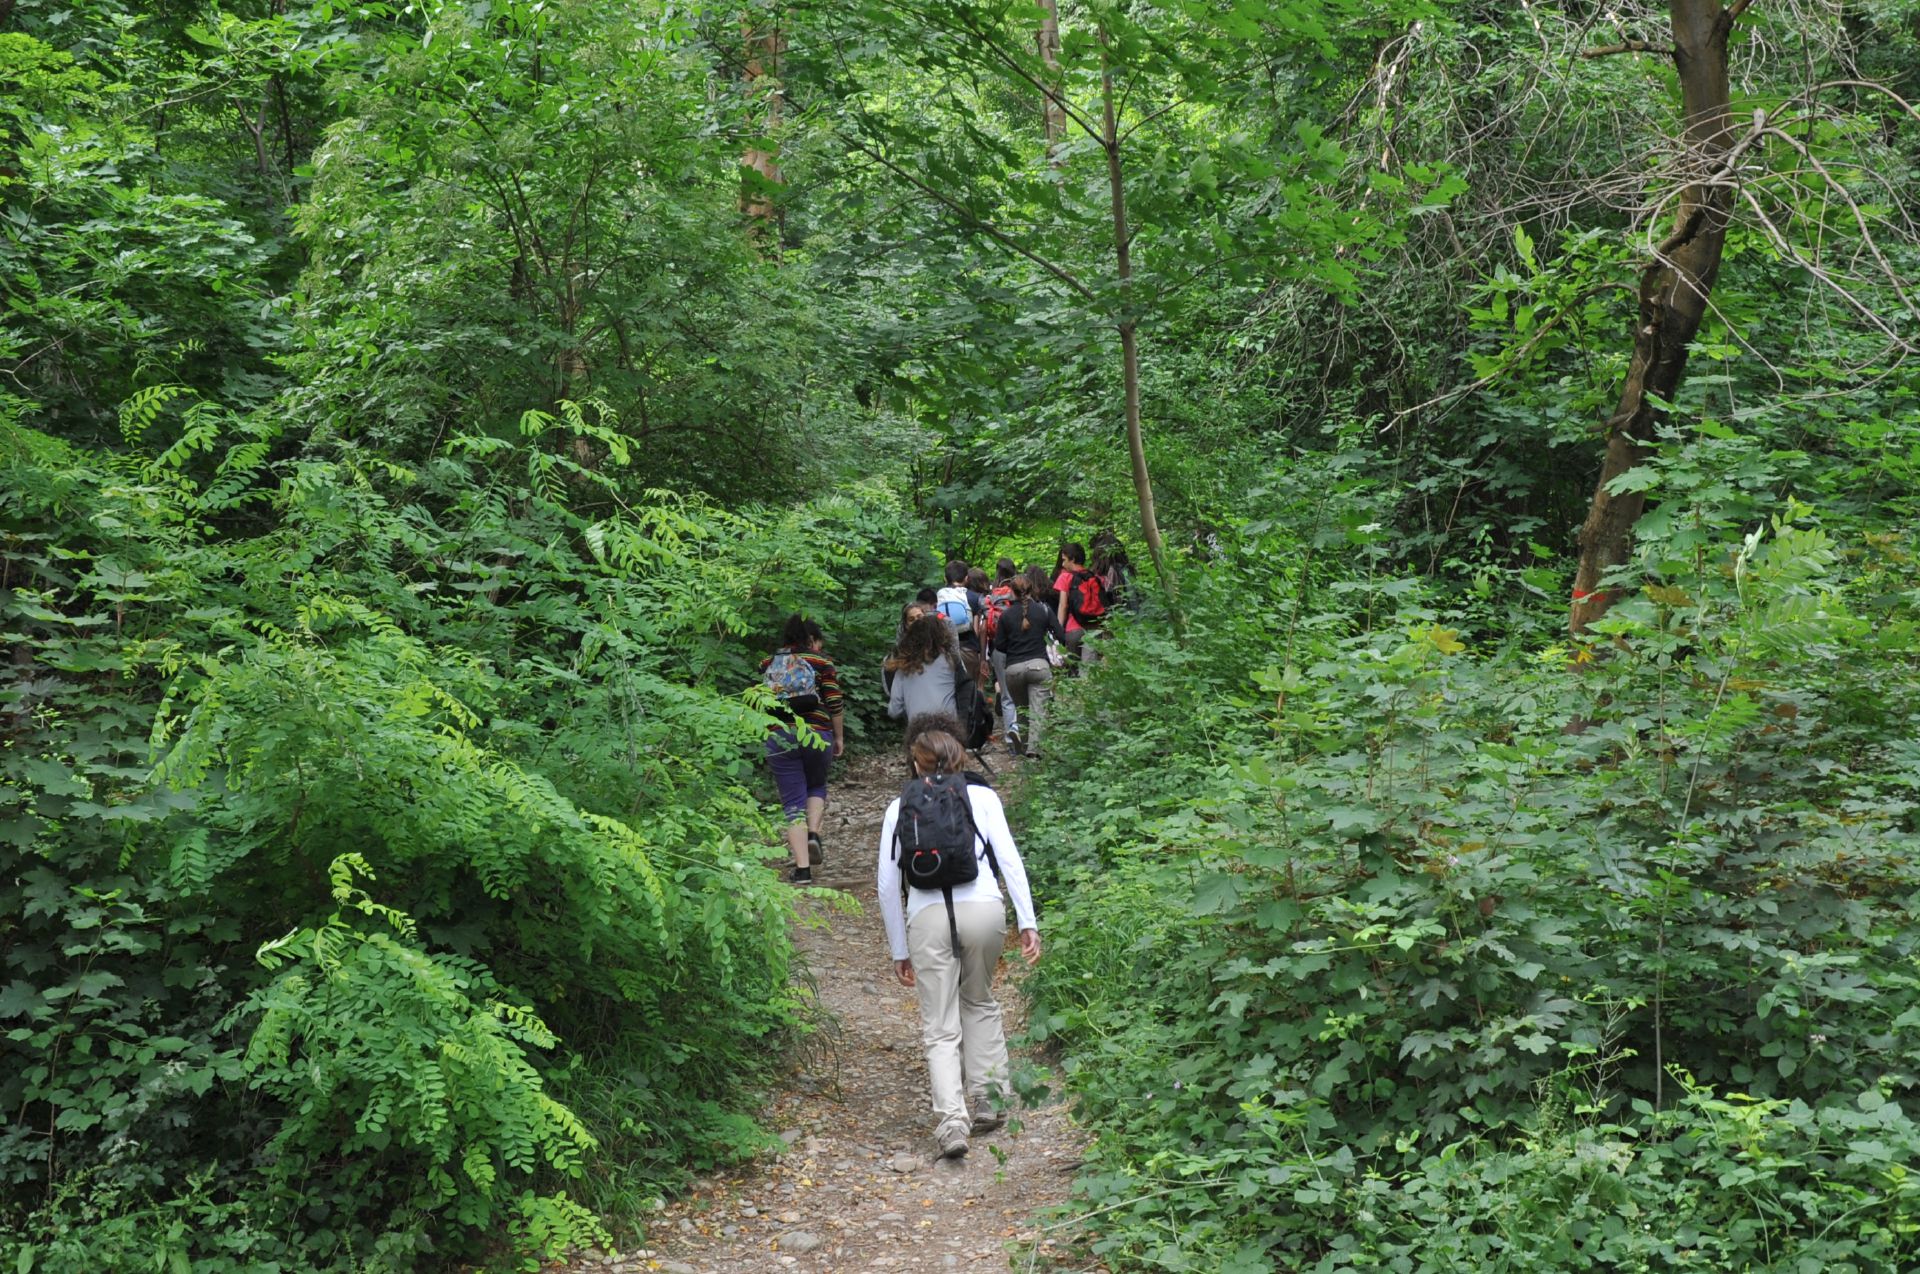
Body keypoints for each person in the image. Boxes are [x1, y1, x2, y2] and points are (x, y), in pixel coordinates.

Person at [877, 727, 1041, 1159]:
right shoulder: (983, 798)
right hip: (983, 909)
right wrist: (1028, 920)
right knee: (979, 1000)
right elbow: (1009, 859)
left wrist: (899, 947)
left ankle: (952, 1123)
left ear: (916, 764)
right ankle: (989, 1097)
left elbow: (886, 884)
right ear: (961, 759)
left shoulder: (899, 807)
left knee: (939, 1024)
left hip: (927, 918)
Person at [759, 616, 844, 885]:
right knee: (816, 785)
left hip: (779, 735)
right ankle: (813, 834)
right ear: (813, 640)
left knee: (792, 802)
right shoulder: (822, 663)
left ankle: (803, 870)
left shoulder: (768, 663)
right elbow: (834, 702)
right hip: (817, 733)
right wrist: (839, 736)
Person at [994, 575, 1066, 758]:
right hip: (1038, 666)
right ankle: (1034, 751)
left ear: (1012, 592)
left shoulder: (1005, 615)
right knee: (1038, 710)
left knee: (1022, 710)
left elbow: (999, 645)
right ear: (1032, 589)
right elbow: (1060, 634)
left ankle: (1024, 746)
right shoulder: (1043, 609)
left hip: (1013, 670)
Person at [886, 613, 967, 725]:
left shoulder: (903, 667)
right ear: (942, 635)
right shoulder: (951, 661)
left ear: (911, 638)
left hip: (917, 731)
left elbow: (894, 711)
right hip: (949, 729)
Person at [981, 560, 1019, 742]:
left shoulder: (990, 597)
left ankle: (1011, 737)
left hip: (998, 648)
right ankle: (1025, 733)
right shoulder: (1018, 593)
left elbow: (983, 627)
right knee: (1024, 692)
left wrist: (983, 655)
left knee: (1006, 695)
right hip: (1021, 647)